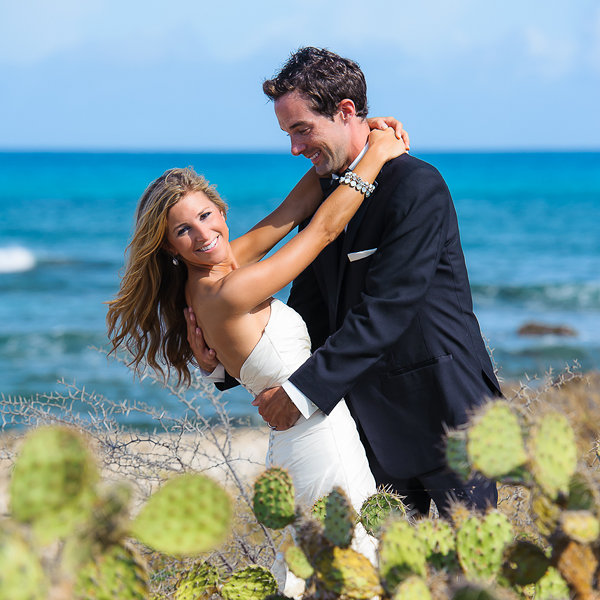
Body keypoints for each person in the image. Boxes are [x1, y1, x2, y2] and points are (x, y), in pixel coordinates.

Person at [189, 47, 502, 518]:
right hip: (367, 428)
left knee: (474, 577)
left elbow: (387, 309)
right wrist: (230, 362)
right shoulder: (324, 195)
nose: (295, 148)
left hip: (448, 414)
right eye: (288, 134)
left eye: (302, 129)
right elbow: (309, 314)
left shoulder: (416, 186)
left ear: (346, 111)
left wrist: (300, 394)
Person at [106, 126, 407, 590]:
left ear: (221, 210)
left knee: (321, 567)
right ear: (168, 245)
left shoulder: (213, 271)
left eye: (207, 216)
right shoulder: (229, 288)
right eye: (184, 230)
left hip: (296, 433)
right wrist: (380, 155)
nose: (203, 234)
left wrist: (361, 134)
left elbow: (293, 210)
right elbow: (323, 230)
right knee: (352, 562)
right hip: (318, 432)